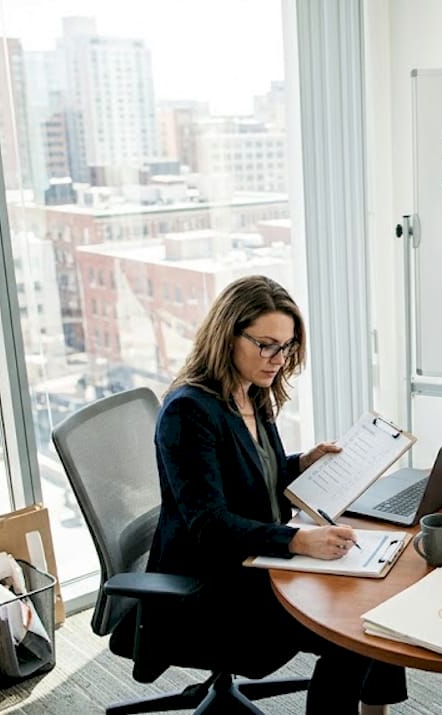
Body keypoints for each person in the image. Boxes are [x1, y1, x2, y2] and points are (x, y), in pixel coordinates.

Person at [149, 275, 406, 714]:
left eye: (286, 347)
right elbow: (210, 525)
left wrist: (300, 464)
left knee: (376, 595)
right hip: (210, 586)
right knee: (351, 629)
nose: (279, 359)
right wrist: (298, 540)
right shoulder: (188, 411)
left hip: (260, 559)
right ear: (227, 336)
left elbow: (247, 477)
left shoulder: (252, 392)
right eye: (266, 345)